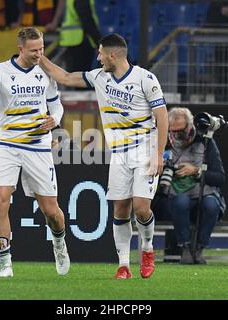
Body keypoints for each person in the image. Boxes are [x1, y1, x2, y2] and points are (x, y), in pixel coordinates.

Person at [40, 33, 168, 279]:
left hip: (145, 150)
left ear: (112, 55)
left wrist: (159, 155)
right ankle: (123, 266)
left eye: (100, 53)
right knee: (120, 208)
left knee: (141, 209)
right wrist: (39, 58)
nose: (97, 58)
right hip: (119, 152)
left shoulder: (145, 79)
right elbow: (65, 77)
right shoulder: (99, 77)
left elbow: (162, 116)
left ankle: (147, 249)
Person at [0, 27, 70, 278]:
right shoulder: (1, 71)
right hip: (8, 145)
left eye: (41, 49)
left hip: (38, 146)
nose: (39, 54)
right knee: (0, 200)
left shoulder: (45, 71)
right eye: (34, 50)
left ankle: (59, 243)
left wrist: (55, 120)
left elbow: (57, 106)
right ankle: (5, 264)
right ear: (20, 49)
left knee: (50, 210)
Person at [151, 107, 225, 264]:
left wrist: (196, 171)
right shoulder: (164, 144)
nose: (177, 135)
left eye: (180, 131)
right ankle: (184, 247)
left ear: (190, 126)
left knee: (211, 204)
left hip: (203, 195)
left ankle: (199, 248)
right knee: (180, 201)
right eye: (173, 131)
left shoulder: (205, 142)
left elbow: (220, 178)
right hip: (174, 198)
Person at [59, 0, 101, 72]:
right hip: (81, 41)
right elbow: (87, 20)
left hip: (72, 40)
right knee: (81, 76)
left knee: (73, 75)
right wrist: (99, 42)